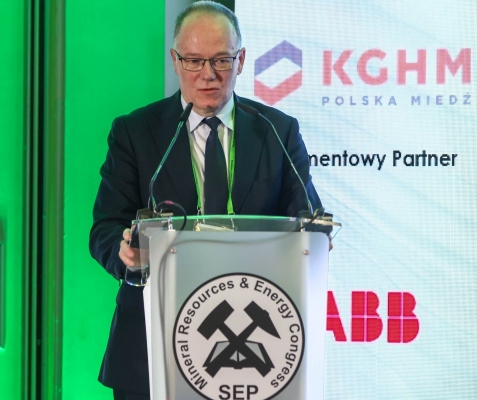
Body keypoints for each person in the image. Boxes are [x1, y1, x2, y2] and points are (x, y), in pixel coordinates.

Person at [89, 1, 325, 399]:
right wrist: (126, 254)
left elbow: (306, 218)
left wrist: (316, 236)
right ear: (175, 60)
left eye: (221, 60)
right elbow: (105, 229)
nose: (208, 75)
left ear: (241, 60)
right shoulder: (135, 131)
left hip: (254, 336)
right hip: (152, 338)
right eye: (194, 61)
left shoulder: (277, 130)